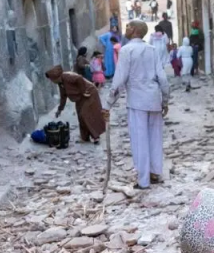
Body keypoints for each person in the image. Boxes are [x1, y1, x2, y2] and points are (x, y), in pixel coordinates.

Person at [110, 20, 171, 189]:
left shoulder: (126, 50)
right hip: (154, 99)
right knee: (155, 138)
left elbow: (119, 80)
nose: (126, 28)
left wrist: (108, 104)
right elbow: (162, 78)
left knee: (140, 140)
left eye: (129, 26)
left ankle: (143, 180)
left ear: (135, 30)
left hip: (137, 101)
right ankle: (155, 173)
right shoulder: (152, 50)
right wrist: (165, 100)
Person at [46, 65, 106, 144]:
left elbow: (79, 78)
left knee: (85, 114)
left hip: (89, 93)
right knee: (80, 116)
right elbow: (63, 97)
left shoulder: (67, 76)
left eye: (51, 79)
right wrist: (59, 110)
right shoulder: (61, 83)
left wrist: (83, 91)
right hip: (80, 97)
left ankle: (96, 136)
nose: (52, 81)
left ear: (56, 77)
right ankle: (85, 137)